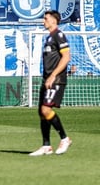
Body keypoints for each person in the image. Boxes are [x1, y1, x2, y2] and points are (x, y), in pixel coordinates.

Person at [29, 10, 72, 156]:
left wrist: (53, 76)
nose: (43, 21)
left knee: (46, 110)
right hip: (47, 79)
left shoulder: (59, 35)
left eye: (46, 19)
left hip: (56, 80)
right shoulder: (49, 38)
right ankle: (46, 146)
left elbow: (66, 57)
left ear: (54, 20)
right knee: (42, 112)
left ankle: (65, 138)